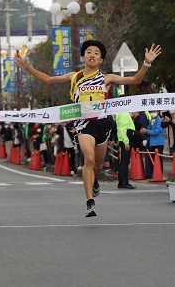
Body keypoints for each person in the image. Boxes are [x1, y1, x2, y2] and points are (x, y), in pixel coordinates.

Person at [14, 40, 161, 217]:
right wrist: (28, 68)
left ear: (101, 60)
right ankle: (90, 202)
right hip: (84, 125)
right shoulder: (74, 77)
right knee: (89, 160)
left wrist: (146, 62)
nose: (92, 55)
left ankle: (94, 180)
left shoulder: (108, 78)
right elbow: (49, 80)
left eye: (96, 53)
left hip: (102, 125)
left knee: (98, 165)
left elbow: (136, 79)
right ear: (83, 57)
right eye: (89, 52)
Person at [115, 112, 136, 189]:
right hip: (125, 140)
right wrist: (126, 142)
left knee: (123, 162)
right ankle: (124, 182)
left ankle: (121, 182)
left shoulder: (121, 113)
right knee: (125, 162)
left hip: (122, 139)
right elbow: (123, 128)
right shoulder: (124, 113)